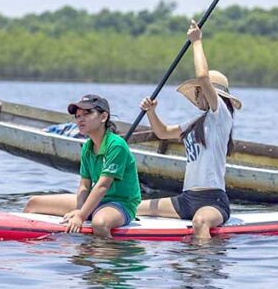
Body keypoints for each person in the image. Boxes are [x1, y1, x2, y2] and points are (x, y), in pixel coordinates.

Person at [136, 20, 241, 241]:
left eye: (199, 91)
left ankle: (200, 269)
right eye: (196, 92)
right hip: (186, 199)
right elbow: (163, 133)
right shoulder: (195, 123)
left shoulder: (220, 115)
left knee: (200, 222)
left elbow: (203, 78)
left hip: (213, 201)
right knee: (133, 207)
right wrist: (151, 112)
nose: (197, 94)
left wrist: (196, 42)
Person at [24, 94, 141, 238]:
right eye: (77, 116)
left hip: (121, 203)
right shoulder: (87, 146)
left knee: (100, 224)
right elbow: (85, 185)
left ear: (103, 117)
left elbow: (102, 186)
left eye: (87, 113)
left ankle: (107, 256)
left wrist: (81, 216)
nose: (80, 119)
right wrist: (79, 209)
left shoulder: (116, 145)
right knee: (33, 203)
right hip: (96, 201)